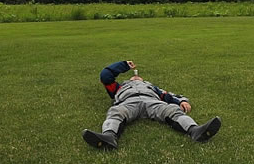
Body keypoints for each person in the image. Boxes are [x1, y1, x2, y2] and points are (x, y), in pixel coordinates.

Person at [82, 60, 222, 149]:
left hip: (152, 102)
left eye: (139, 77)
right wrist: (124, 65)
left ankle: (195, 131)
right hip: (128, 102)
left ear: (143, 80)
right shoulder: (119, 87)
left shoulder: (152, 87)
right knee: (116, 112)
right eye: (134, 77)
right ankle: (109, 137)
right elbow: (105, 75)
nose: (136, 77)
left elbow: (169, 96)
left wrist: (182, 101)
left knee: (171, 110)